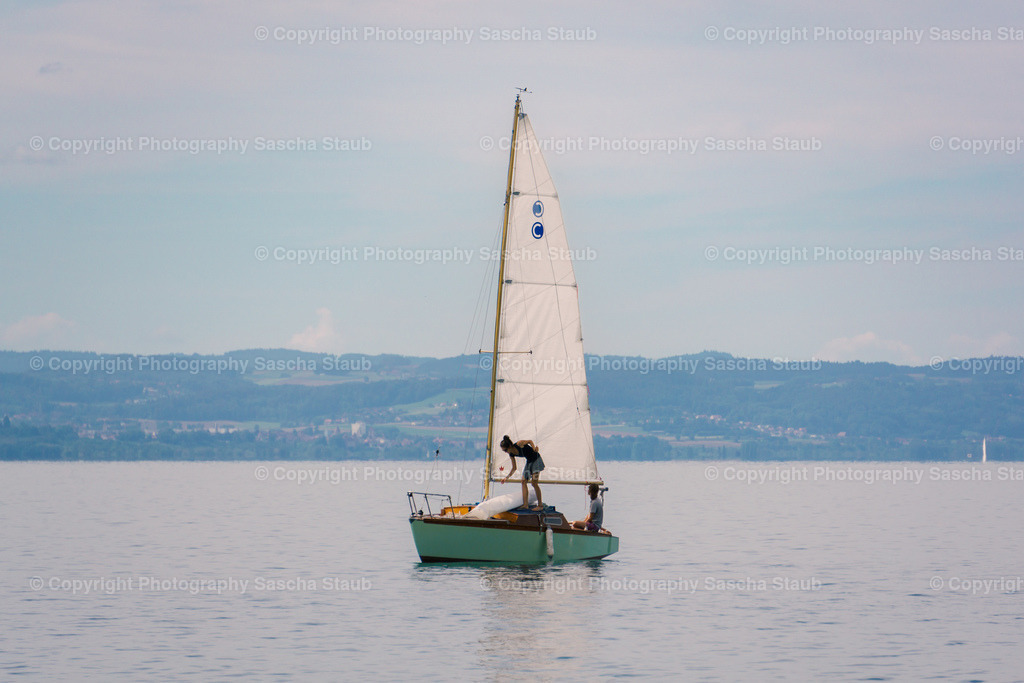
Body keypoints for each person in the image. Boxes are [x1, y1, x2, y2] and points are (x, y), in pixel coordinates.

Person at [499, 435, 545, 511]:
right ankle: (525, 505)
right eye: (504, 451)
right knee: (523, 481)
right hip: (529, 462)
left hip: (536, 460)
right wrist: (506, 477)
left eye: (506, 450)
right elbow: (514, 468)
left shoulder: (519, 444)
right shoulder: (511, 454)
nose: (505, 452)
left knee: (534, 483)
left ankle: (540, 505)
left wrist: (534, 449)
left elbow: (530, 441)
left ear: (510, 446)